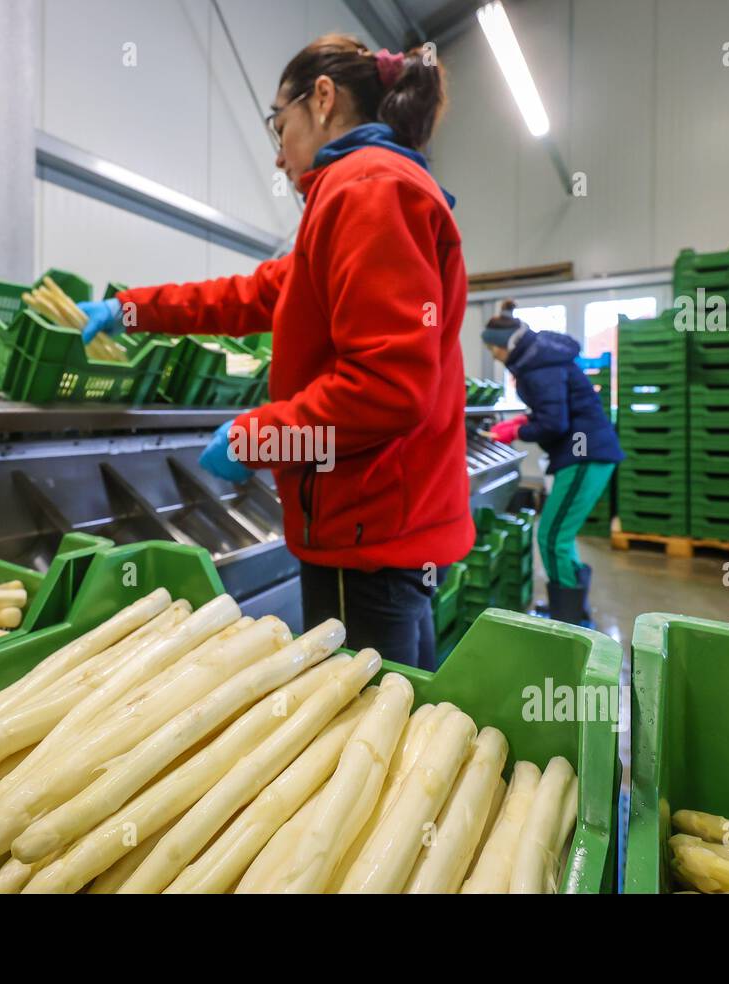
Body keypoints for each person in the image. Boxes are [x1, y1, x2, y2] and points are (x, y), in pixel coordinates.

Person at [75, 35, 471, 670]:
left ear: (322, 99)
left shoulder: (367, 190)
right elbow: (252, 294)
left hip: (363, 537)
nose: (280, 157)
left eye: (277, 126)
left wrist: (261, 438)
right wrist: (129, 308)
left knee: (365, 738)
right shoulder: (355, 192)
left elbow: (389, 388)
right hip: (384, 531)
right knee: (399, 719)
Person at [484, 306, 623, 625]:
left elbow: (555, 422)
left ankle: (570, 619)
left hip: (585, 454)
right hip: (585, 453)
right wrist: (521, 421)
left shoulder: (536, 365)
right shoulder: (540, 356)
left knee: (552, 535)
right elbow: (555, 409)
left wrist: (518, 430)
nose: (494, 356)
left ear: (506, 343)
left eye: (493, 349)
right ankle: (570, 607)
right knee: (557, 535)